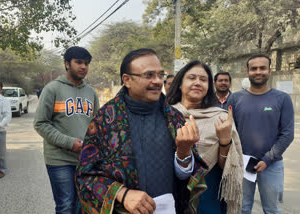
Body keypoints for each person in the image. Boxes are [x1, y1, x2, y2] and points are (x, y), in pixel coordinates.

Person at [75, 49, 209, 214]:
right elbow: (86, 175)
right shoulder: (104, 120)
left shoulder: (175, 119)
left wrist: (184, 152)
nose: (158, 81)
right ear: (127, 80)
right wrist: (122, 194)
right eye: (149, 75)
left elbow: (185, 179)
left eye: (160, 75)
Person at [167, 61, 244, 214]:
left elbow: (227, 167)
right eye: (192, 78)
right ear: (180, 84)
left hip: (207, 192)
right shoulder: (164, 115)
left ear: (209, 86)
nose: (197, 83)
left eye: (203, 79)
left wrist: (224, 140)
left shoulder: (221, 118)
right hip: (168, 189)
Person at [34, 46, 100, 214]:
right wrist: (69, 143)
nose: (83, 67)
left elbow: (96, 125)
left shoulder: (91, 92)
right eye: (78, 62)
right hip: (59, 159)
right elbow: (41, 123)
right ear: (67, 64)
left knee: (81, 205)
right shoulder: (52, 89)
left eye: (86, 63)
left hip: (85, 159)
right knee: (65, 205)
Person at [228, 54, 294, 214]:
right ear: (247, 71)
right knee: (241, 209)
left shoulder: (282, 99)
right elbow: (228, 132)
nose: (258, 72)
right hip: (241, 165)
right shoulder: (235, 99)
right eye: (254, 68)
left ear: (269, 70)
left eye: (262, 68)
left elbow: (287, 134)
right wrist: (235, 160)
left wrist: (267, 159)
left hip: (272, 165)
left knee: (271, 209)